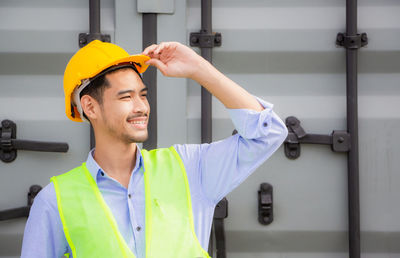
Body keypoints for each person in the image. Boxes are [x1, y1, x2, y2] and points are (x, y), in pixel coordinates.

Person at [21, 40, 288, 258]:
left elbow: (268, 134)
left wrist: (198, 69)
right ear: (90, 107)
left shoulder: (190, 169)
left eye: (143, 95)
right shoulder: (54, 202)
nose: (141, 107)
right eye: (126, 96)